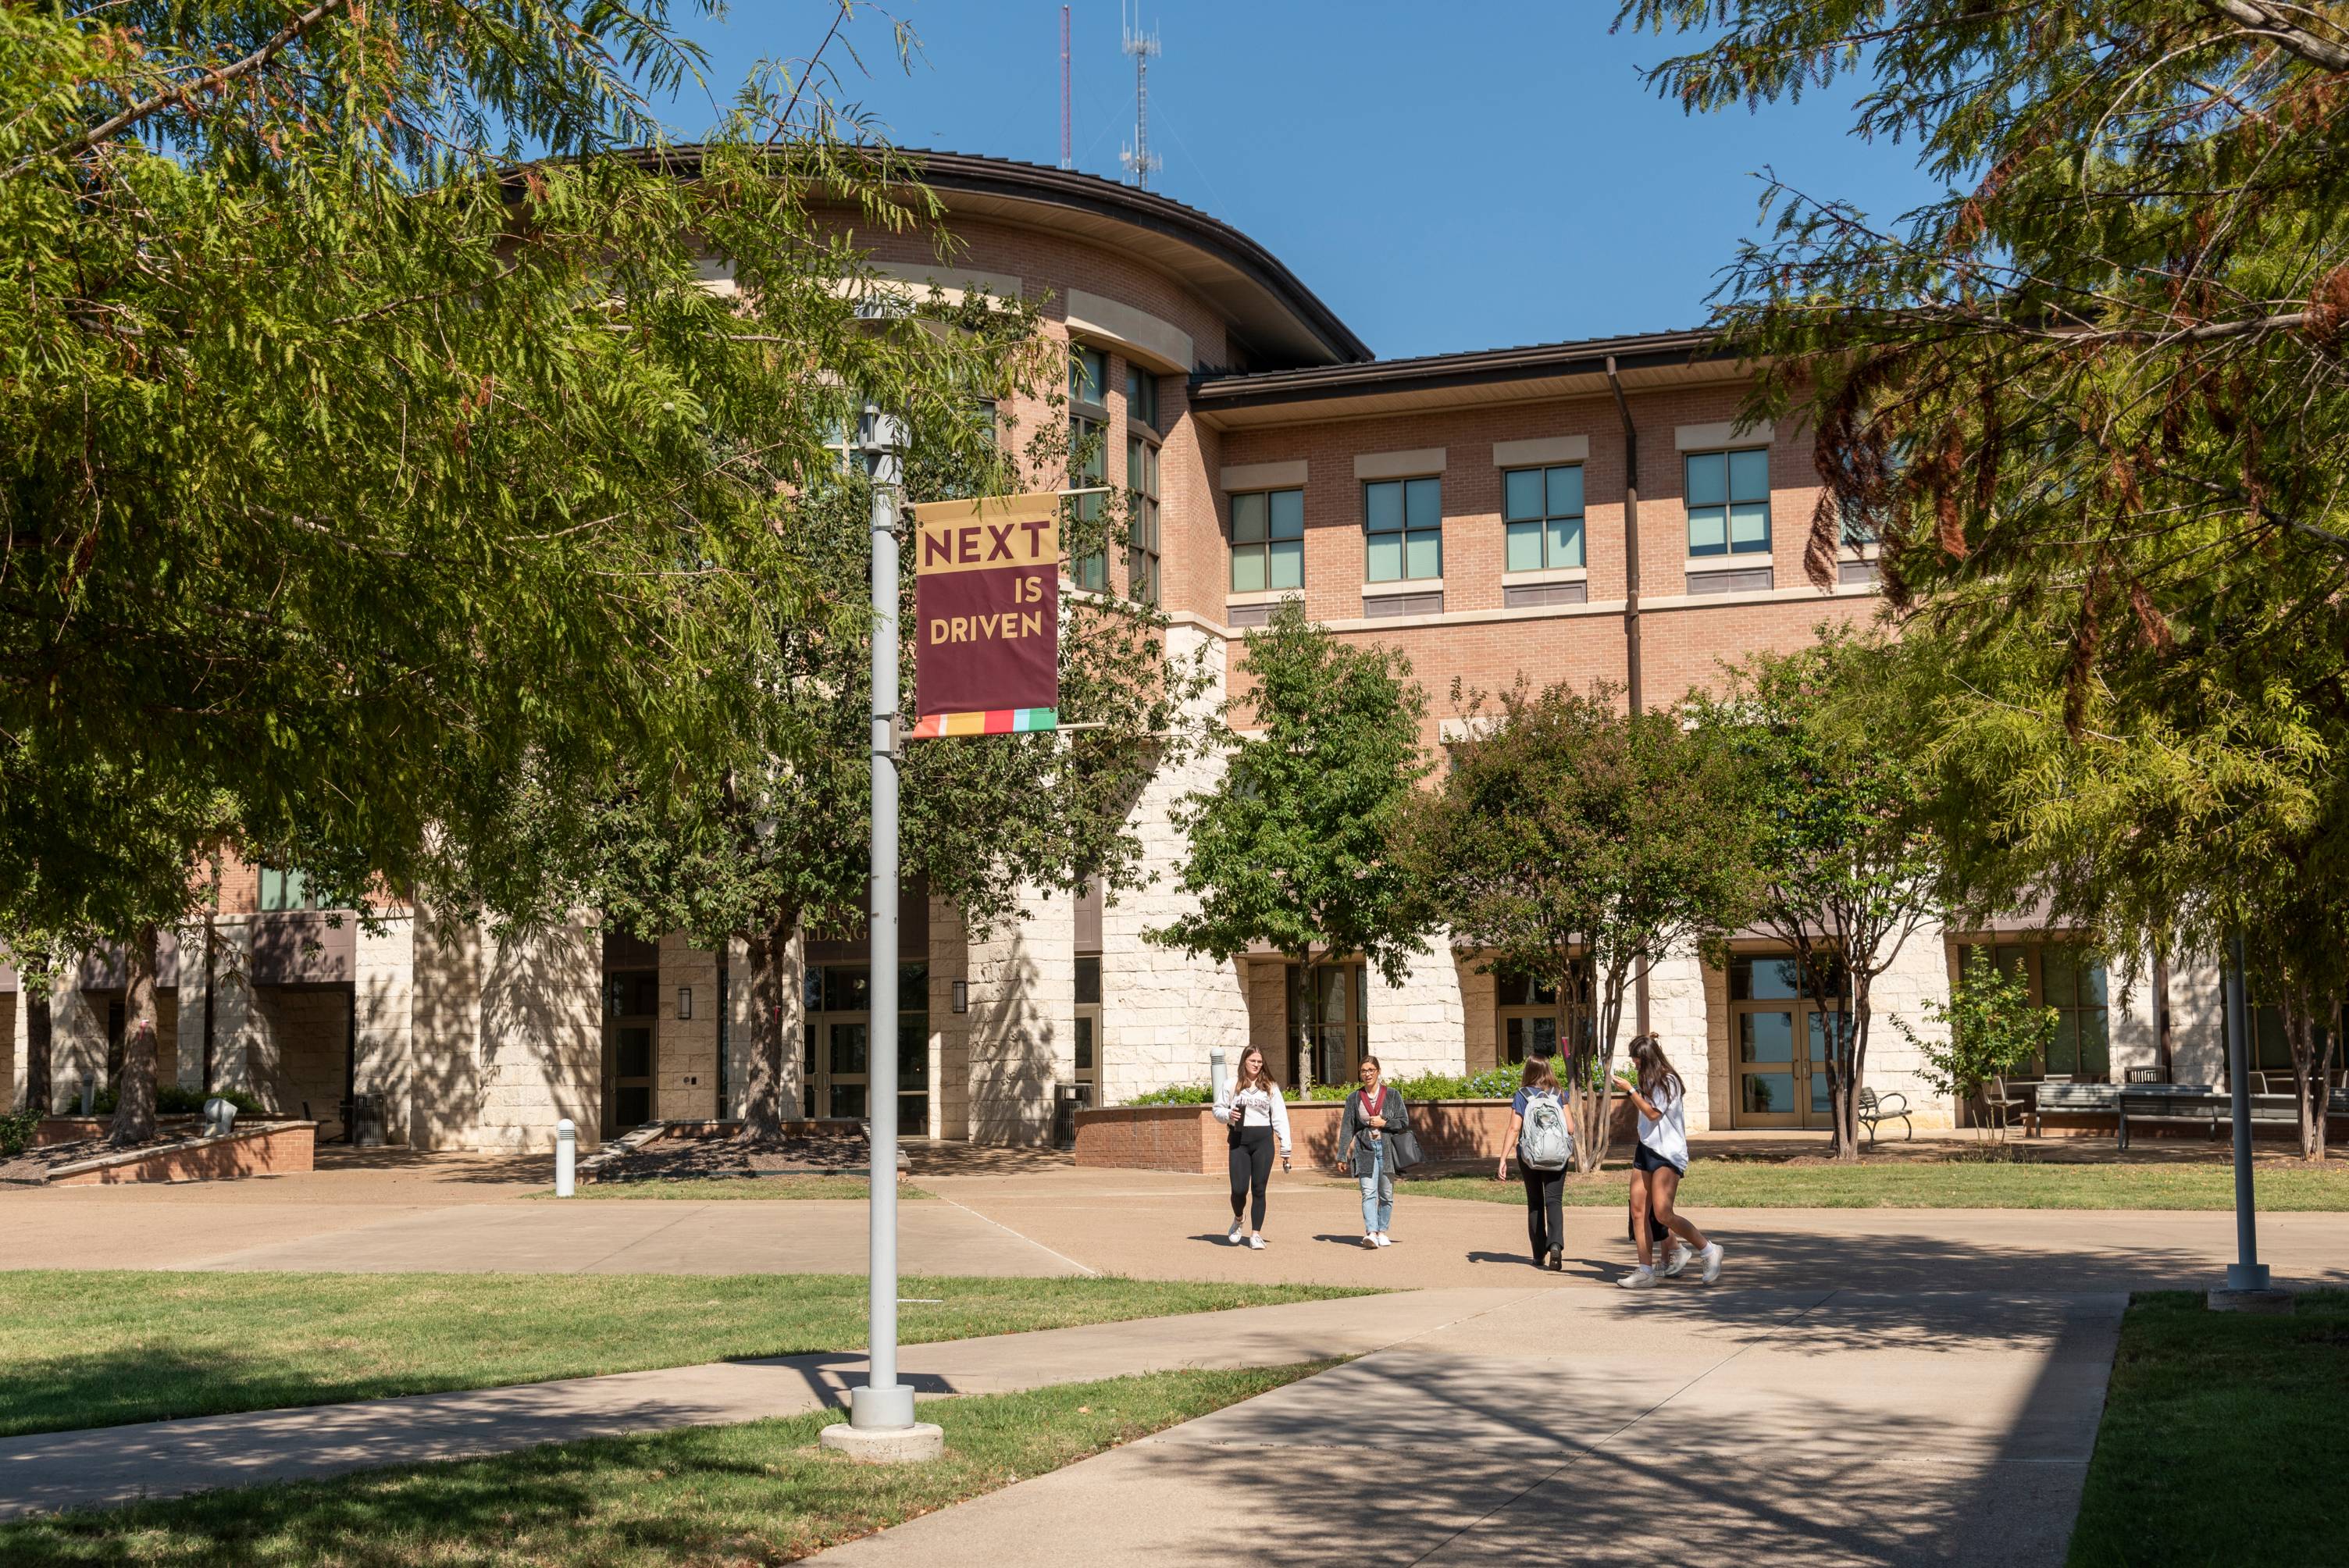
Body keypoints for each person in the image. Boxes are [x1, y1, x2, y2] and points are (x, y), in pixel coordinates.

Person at [1613, 1034, 1723, 1288]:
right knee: (1639, 1211)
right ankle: (1645, 1271)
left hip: (1668, 1153)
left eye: (1636, 1058)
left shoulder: (1668, 1080)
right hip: (1646, 1149)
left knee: (1663, 1213)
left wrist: (1630, 1090)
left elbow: (1653, 1114)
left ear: (1647, 1058)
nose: (1634, 1063)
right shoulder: (1648, 1079)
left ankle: (1708, 1249)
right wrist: (1634, 1088)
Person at [1213, 1046, 1291, 1249]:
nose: (1256, 1065)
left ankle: (1256, 1234)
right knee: (1239, 1190)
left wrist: (1286, 1145)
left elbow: (1280, 1117)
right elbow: (1217, 1110)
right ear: (1244, 1062)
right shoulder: (1232, 1085)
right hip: (1239, 1140)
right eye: (1252, 1061)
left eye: (1259, 1061)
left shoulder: (1270, 1087)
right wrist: (1228, 1114)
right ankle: (1239, 1218)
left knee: (1259, 1188)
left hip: (1263, 1141)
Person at [1498, 1053, 1570, 1270]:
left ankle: (1539, 1254)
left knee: (1535, 1202)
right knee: (1554, 1201)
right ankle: (1556, 1245)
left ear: (1528, 1070)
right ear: (1548, 1070)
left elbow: (1514, 1128)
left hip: (1530, 1157)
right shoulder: (1559, 1094)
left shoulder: (1522, 1095)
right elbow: (1571, 1128)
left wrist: (1503, 1158)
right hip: (1557, 1156)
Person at [1338, 1055, 1407, 1248]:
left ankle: (1383, 1231)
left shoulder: (1392, 1095)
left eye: (1371, 1070)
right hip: (1365, 1149)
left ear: (1378, 1071)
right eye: (1363, 1071)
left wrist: (1385, 1123)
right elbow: (1347, 1128)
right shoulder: (1354, 1098)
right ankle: (1371, 1232)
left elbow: (1403, 1121)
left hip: (1387, 1149)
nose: (1367, 1074)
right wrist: (1342, 1155)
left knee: (1386, 1194)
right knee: (1368, 1192)